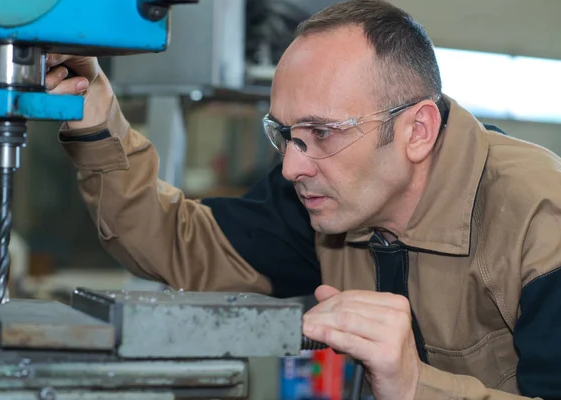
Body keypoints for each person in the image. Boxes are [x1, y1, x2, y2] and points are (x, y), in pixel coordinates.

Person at [46, 0, 561, 398]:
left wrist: (413, 387)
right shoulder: (325, 200)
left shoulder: (540, 221)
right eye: (286, 133)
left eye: (322, 132)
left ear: (418, 130)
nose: (292, 166)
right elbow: (183, 247)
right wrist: (98, 127)